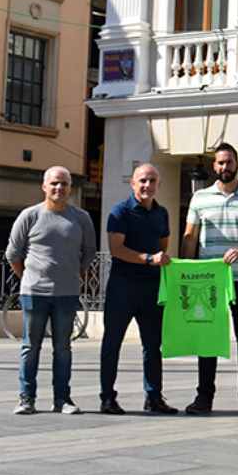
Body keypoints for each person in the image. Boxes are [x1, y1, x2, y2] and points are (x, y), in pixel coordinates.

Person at [182, 143, 238, 415]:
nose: (225, 167)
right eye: (220, 163)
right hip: (209, 281)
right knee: (208, 339)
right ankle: (204, 397)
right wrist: (187, 274)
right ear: (214, 166)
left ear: (237, 164)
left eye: (229, 162)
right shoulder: (200, 198)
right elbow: (190, 239)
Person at [6, 166, 97, 415]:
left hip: (67, 295)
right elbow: (13, 253)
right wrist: (28, 277)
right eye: (54, 183)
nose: (59, 188)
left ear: (70, 188)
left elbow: (89, 252)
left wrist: (76, 274)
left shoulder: (82, 218)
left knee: (63, 348)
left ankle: (63, 400)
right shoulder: (29, 215)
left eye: (64, 184)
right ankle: (26, 399)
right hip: (34, 293)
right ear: (44, 186)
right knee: (29, 347)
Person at [99, 164, 177, 415]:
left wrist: (157, 260)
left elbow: (163, 247)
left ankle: (154, 397)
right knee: (112, 344)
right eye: (142, 180)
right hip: (122, 287)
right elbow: (116, 249)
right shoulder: (119, 212)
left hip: (152, 289)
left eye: (152, 181)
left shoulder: (162, 213)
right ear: (133, 184)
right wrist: (147, 258)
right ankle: (108, 398)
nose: (147, 185)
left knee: (153, 346)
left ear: (158, 185)